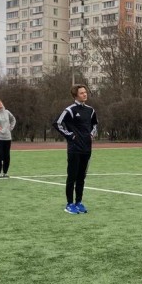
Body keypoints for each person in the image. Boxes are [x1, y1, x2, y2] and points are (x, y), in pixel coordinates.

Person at [54, 84, 98, 214]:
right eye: (82, 93)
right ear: (75, 95)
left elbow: (95, 124)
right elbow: (57, 123)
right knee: (72, 176)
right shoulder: (70, 110)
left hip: (86, 148)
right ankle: (69, 204)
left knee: (81, 177)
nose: (85, 94)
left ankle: (78, 202)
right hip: (74, 148)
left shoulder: (91, 110)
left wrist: (91, 134)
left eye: (85, 92)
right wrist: (70, 135)